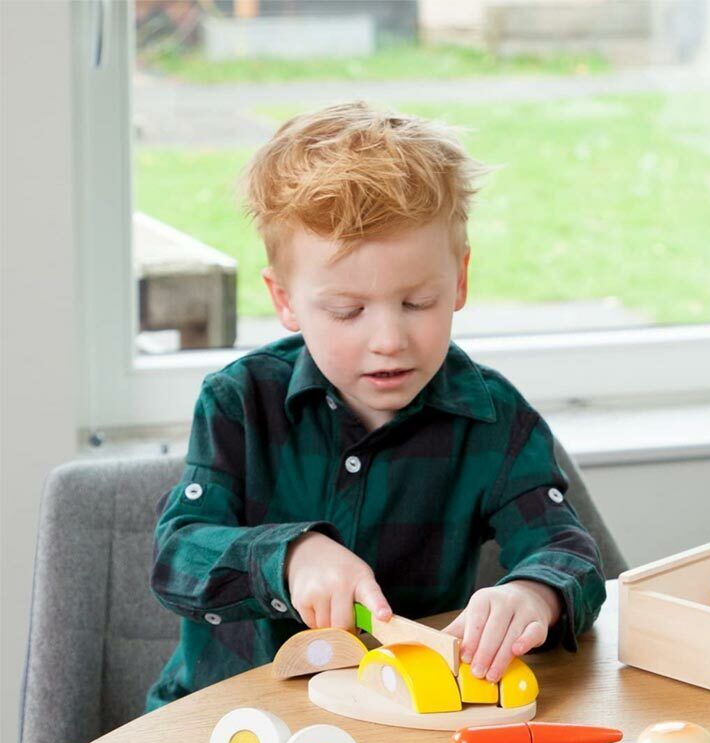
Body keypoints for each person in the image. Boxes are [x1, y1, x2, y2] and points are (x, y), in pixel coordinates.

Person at [146, 101, 607, 711]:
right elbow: (177, 555)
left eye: (417, 302)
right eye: (347, 311)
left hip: (398, 721)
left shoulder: (493, 418)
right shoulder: (239, 402)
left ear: (460, 279)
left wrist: (532, 594)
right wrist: (291, 556)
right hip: (229, 719)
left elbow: (569, 551)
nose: (389, 339)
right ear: (284, 301)